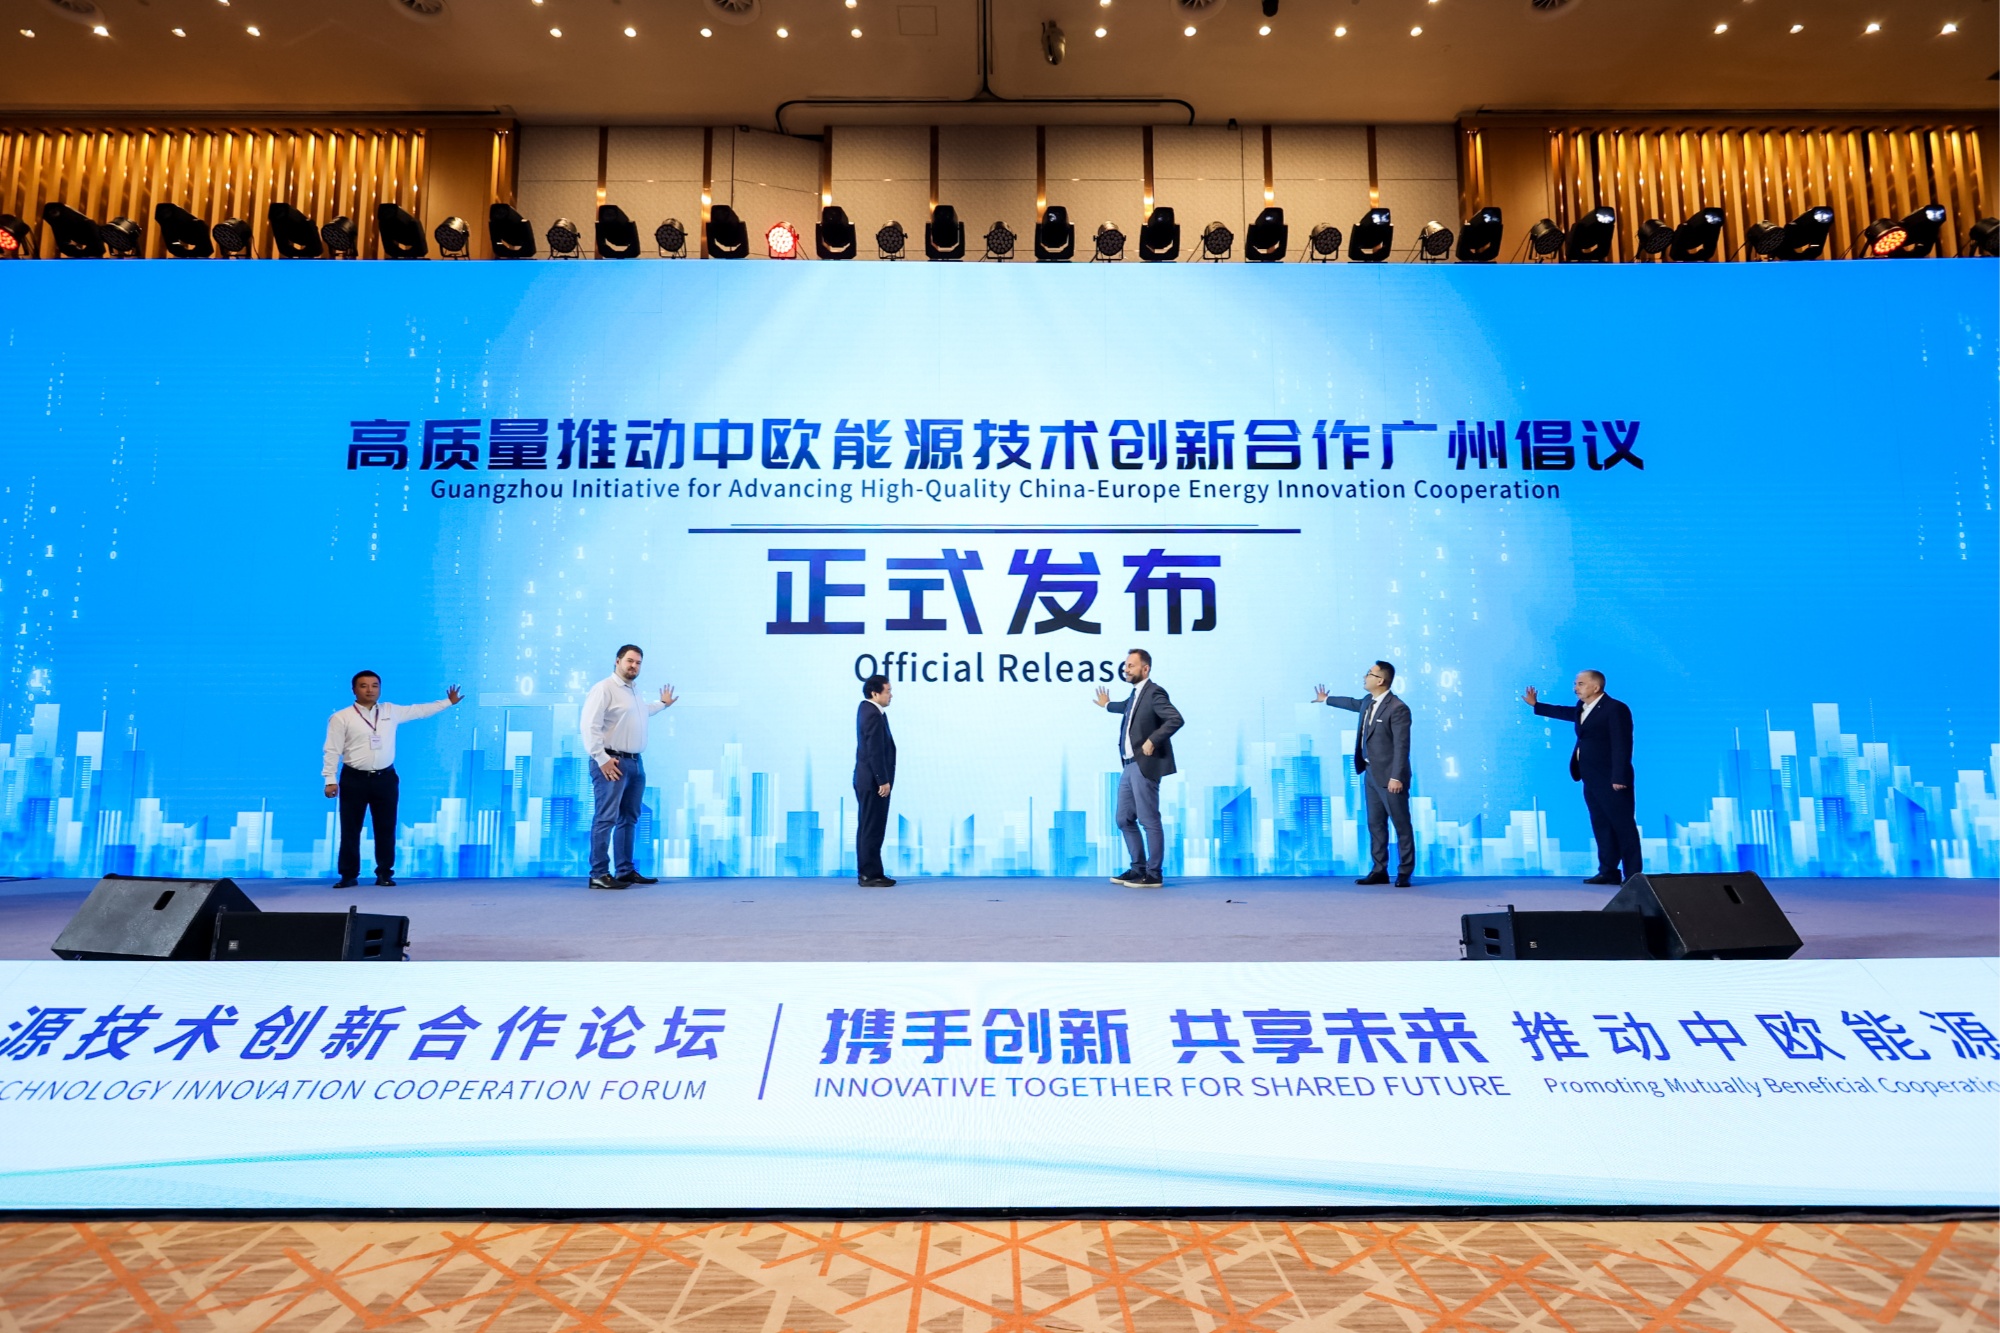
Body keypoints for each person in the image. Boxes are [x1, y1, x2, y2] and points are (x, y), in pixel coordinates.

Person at [322, 671, 462, 888]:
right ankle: (348, 875)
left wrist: (448, 702)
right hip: (354, 779)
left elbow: (419, 710)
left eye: (374, 685)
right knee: (350, 828)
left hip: (385, 779)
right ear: (354, 690)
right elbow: (331, 750)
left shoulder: (390, 711)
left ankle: (384, 873)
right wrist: (330, 779)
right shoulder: (341, 717)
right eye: (364, 686)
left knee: (386, 828)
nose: (370, 690)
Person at [1525, 670, 1640, 885]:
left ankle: (1633, 875)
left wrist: (1619, 776)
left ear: (1596, 687)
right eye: (1575, 683)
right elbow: (1566, 712)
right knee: (1601, 825)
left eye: (1580, 684)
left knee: (1623, 826)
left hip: (1612, 778)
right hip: (1590, 776)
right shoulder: (1583, 707)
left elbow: (1622, 744)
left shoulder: (1616, 708)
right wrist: (1537, 705)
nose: (1575, 688)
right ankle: (1608, 871)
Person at [581, 644, 676, 890]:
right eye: (630, 661)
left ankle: (624, 871)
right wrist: (601, 758)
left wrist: (662, 704)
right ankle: (599, 874)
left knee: (629, 818)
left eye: (638, 663)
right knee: (606, 818)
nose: (634, 666)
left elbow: (641, 712)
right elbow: (589, 725)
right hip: (612, 761)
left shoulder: (633, 691)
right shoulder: (604, 688)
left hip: (635, 763)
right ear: (618, 661)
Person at [1316, 661, 1413, 887]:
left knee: (1401, 826)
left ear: (1380, 680)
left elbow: (1402, 746)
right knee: (1375, 825)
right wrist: (1326, 699)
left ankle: (1404, 872)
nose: (1365, 677)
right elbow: (1353, 703)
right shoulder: (1369, 701)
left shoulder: (1398, 708)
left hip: (1391, 778)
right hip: (1370, 774)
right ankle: (1379, 870)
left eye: (1369, 674)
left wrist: (1396, 777)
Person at [1093, 648, 1183, 887]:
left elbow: (1175, 719)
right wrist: (1107, 705)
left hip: (1144, 765)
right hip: (1129, 765)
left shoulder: (1154, 692)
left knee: (1148, 819)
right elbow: (1125, 707)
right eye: (1126, 665)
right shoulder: (1135, 695)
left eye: (1131, 666)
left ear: (1145, 668)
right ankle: (1138, 869)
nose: (1126, 669)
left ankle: (1153, 874)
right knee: (1123, 819)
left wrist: (1153, 740)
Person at [853, 674, 898, 887]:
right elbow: (875, 751)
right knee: (872, 828)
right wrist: (882, 780)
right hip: (872, 782)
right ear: (875, 693)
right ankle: (870, 874)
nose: (891, 695)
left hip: (867, 779)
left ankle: (869, 872)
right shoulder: (872, 713)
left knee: (868, 826)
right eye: (888, 691)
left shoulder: (869, 711)